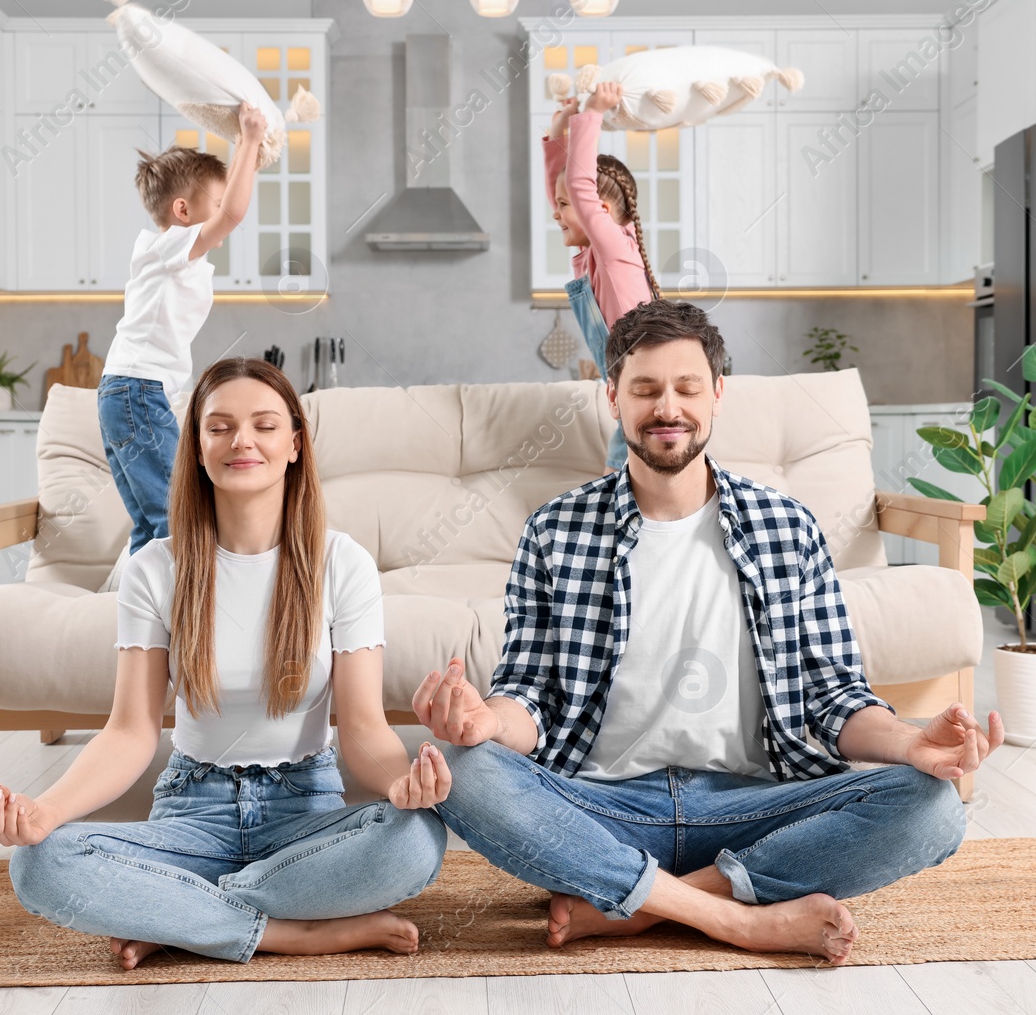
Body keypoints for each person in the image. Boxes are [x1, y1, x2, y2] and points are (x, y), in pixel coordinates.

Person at [412, 299, 1002, 965]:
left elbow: (833, 696)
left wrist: (911, 741)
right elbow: (530, 699)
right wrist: (483, 722)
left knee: (934, 805)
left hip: (755, 804)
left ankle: (642, 906)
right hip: (604, 806)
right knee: (461, 769)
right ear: (613, 397)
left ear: (718, 393)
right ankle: (738, 919)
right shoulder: (556, 529)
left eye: (687, 387)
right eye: (645, 388)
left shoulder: (787, 526)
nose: (668, 406)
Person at [0, 357, 451, 968]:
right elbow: (130, 731)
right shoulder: (156, 568)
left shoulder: (342, 563)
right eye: (219, 426)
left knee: (416, 839)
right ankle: (291, 931)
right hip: (190, 814)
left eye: (264, 425)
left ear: (295, 445)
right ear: (197, 448)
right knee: (39, 864)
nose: (242, 440)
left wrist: (402, 785)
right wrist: (46, 812)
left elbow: (362, 728)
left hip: (301, 812)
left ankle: (178, 919)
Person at [98, 106, 268, 554]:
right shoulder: (172, 243)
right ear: (182, 210)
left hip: (128, 393)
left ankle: (135, 612)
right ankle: (179, 615)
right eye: (211, 204)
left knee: (152, 523)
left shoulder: (169, 253)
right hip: (137, 392)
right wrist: (248, 141)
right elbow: (232, 214)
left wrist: (245, 154)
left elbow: (226, 207)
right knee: (179, 517)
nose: (220, 217)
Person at [545, 80, 660, 473]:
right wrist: (559, 131)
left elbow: (576, 188)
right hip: (631, 394)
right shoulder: (593, 254)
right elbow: (567, 187)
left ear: (603, 210)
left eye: (565, 206)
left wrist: (591, 111)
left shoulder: (615, 251)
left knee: (618, 488)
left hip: (643, 396)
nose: (556, 213)